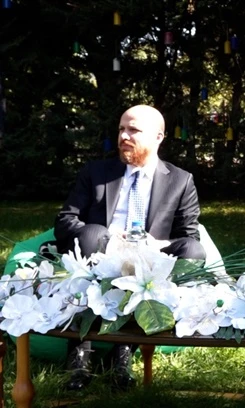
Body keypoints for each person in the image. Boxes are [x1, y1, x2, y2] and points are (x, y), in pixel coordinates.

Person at [54, 104, 206, 391]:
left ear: (158, 137)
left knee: (193, 252)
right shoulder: (96, 173)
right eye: (121, 129)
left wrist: (156, 245)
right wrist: (109, 237)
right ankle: (79, 352)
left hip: (150, 260)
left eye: (133, 130)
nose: (124, 136)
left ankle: (123, 352)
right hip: (100, 253)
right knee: (92, 233)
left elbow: (188, 235)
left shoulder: (180, 180)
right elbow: (65, 222)